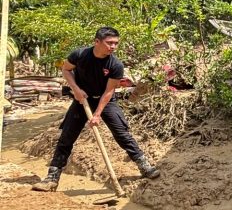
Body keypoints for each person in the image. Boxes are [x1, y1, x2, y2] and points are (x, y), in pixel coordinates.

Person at [32, 27, 160, 192]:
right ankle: (52, 178)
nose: (113, 47)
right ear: (97, 42)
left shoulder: (115, 65)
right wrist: (76, 90)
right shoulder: (79, 55)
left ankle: (144, 166)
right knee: (66, 138)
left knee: (121, 133)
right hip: (81, 100)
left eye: (116, 43)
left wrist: (97, 114)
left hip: (105, 101)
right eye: (109, 43)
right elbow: (66, 69)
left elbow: (108, 92)